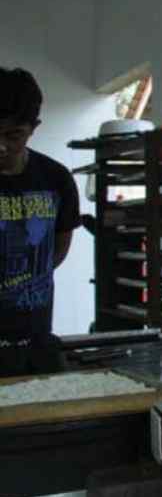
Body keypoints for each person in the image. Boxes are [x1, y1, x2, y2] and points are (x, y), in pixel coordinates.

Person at [0, 67, 80, 377]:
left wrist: (23, 284)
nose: (1, 146)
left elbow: (55, 253)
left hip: (35, 341)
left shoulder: (55, 179)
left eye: (13, 135)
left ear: (33, 128)